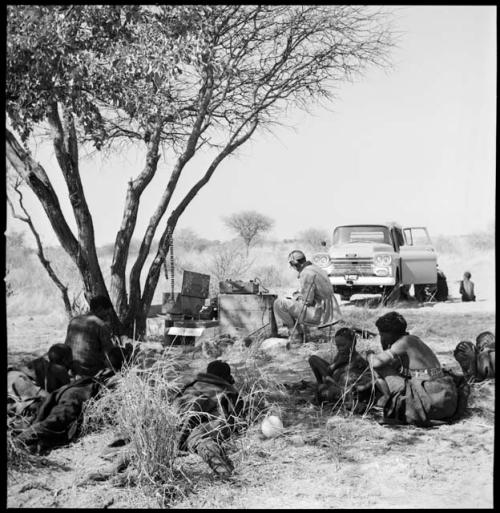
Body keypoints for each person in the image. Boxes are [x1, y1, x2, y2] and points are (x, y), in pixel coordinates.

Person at [367, 311, 458, 426]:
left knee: (381, 368)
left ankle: (387, 405)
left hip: (430, 400)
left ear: (389, 334)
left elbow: (375, 363)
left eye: (382, 334)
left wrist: (369, 355)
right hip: (446, 400)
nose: (381, 338)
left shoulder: (403, 343)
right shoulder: (413, 339)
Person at [175, 360, 245, 477]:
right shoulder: (228, 391)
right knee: (198, 437)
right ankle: (209, 449)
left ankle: (208, 449)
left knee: (198, 438)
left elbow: (189, 414)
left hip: (187, 428)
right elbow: (238, 417)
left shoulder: (192, 386)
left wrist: (176, 443)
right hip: (209, 426)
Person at [274, 249, 341, 344]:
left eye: (293, 266)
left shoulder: (306, 273)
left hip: (320, 315)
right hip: (330, 312)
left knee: (279, 303)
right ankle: (302, 333)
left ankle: (296, 335)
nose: (293, 268)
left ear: (295, 264)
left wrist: (296, 297)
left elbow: (307, 300)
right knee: (291, 302)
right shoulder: (316, 268)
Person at [7, 344, 73, 429]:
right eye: (70, 360)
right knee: (46, 405)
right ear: (65, 360)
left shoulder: (41, 364)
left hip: (12, 377)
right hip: (19, 380)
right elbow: (65, 392)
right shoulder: (60, 369)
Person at [308, 327, 375, 409]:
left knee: (325, 389)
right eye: (338, 346)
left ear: (353, 343)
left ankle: (324, 386)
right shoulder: (340, 355)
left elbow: (346, 380)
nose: (340, 349)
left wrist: (334, 369)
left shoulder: (357, 360)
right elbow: (330, 370)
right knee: (313, 359)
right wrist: (337, 363)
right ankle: (320, 383)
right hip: (331, 378)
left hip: (339, 386)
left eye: (343, 345)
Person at [64, 295, 118, 377]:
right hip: (90, 369)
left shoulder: (74, 320)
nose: (108, 315)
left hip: (71, 366)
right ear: (100, 309)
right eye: (107, 312)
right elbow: (109, 353)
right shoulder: (101, 325)